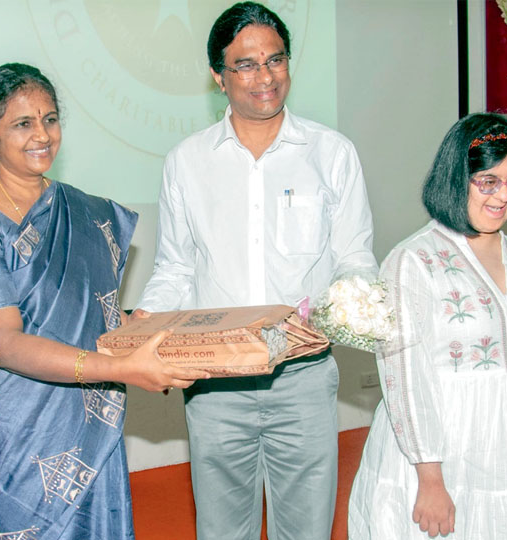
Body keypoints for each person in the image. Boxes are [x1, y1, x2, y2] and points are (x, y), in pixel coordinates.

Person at [133, 3, 378, 539]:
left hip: (305, 376)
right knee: (223, 531)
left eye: (275, 60)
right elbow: (175, 265)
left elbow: (356, 260)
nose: (264, 77)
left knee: (307, 529)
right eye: (245, 65)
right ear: (218, 77)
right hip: (216, 384)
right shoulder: (187, 161)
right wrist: (146, 325)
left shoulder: (331, 154)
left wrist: (334, 318)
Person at [0, 62, 208, 539]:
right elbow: (2, 340)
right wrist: (122, 370)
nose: (41, 134)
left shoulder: (83, 210)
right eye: (22, 123)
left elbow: (87, 314)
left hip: (91, 423)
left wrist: (139, 333)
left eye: (50, 118)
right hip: (19, 435)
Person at [347, 113, 507, 539]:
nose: (503, 195)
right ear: (456, 178)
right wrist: (430, 479)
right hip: (438, 449)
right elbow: (405, 377)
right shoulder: (413, 260)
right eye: (488, 181)